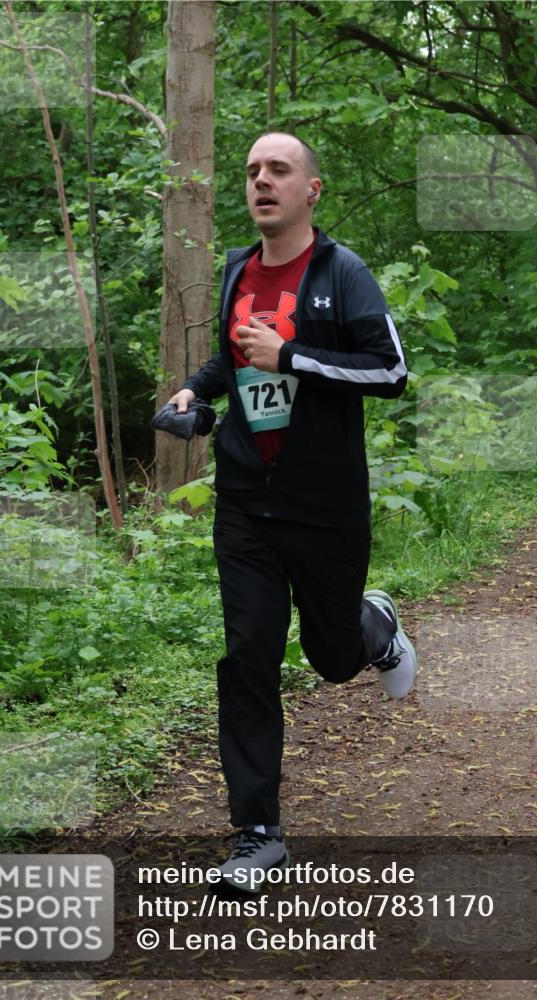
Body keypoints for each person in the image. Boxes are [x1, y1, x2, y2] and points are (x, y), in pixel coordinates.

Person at [167, 132, 416, 893]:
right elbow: (231, 357)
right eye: (250, 172)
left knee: (330, 658)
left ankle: (372, 628)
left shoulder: (341, 274)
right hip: (245, 501)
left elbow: (390, 370)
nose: (261, 181)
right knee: (247, 658)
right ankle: (258, 833)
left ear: (312, 188)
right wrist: (194, 391)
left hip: (324, 504)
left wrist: (295, 357)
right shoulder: (238, 270)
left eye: (278, 170)